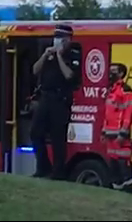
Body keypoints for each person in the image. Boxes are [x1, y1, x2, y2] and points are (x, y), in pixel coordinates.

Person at [30, 24, 81, 180]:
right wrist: (45, 56)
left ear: (68, 40)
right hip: (45, 97)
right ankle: (42, 167)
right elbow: (35, 70)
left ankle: (58, 172)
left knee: (58, 137)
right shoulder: (47, 52)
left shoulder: (73, 54)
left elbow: (70, 76)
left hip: (61, 99)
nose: (57, 41)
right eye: (56, 37)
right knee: (35, 133)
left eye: (61, 38)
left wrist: (59, 57)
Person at [103, 63, 132, 191]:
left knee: (123, 165)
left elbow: (128, 113)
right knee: (113, 165)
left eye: (113, 71)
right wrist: (103, 132)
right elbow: (107, 114)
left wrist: (123, 133)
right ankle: (116, 191)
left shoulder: (125, 90)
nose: (110, 74)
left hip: (120, 136)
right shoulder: (112, 90)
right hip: (110, 136)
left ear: (121, 74)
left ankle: (127, 192)